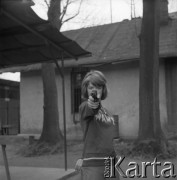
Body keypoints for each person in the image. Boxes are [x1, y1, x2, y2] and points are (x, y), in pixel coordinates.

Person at [75, 70, 120, 180]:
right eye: (91, 88)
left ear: (103, 89)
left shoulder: (108, 112)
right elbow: (93, 106)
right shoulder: (85, 107)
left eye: (98, 87)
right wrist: (94, 100)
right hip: (93, 164)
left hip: (110, 162)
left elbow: (108, 138)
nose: (94, 90)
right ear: (86, 89)